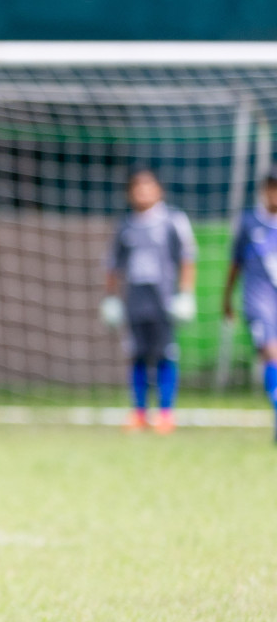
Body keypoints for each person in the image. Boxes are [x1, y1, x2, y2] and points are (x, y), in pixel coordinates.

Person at [101, 167, 198, 433]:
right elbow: (113, 265)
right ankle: (139, 412)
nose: (142, 192)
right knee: (137, 355)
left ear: (159, 190)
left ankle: (166, 412)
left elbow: (187, 258)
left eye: (148, 186)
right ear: (129, 193)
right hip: (135, 300)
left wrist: (186, 294)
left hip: (164, 300)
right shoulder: (126, 225)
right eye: (137, 187)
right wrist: (110, 299)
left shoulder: (172, 221)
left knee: (166, 354)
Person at [222, 166, 277, 441]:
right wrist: (227, 298)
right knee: (271, 352)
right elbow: (235, 265)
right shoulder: (249, 223)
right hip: (258, 301)